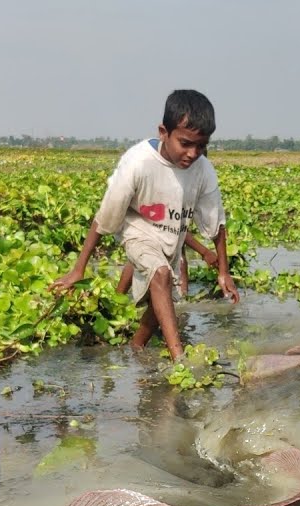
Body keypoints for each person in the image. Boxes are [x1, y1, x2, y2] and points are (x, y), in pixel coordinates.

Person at [50, 89, 239, 360]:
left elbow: (216, 223)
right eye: (185, 143)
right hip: (137, 227)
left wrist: (224, 271)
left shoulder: (203, 170)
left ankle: (135, 349)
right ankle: (180, 360)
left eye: (201, 146)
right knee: (160, 274)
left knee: (160, 302)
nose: (192, 153)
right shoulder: (138, 162)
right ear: (164, 132)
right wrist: (78, 268)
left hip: (172, 234)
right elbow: (105, 217)